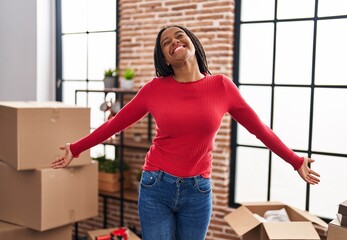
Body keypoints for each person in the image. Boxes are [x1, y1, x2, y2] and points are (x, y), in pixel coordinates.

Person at [52, 24, 320, 240]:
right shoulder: (154, 89)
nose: (174, 42)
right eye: (166, 42)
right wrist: (76, 148)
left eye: (179, 36)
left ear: (192, 44)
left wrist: (295, 160)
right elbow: (115, 123)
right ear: (165, 58)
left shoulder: (222, 87)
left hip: (198, 191)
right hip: (156, 186)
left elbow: (259, 129)